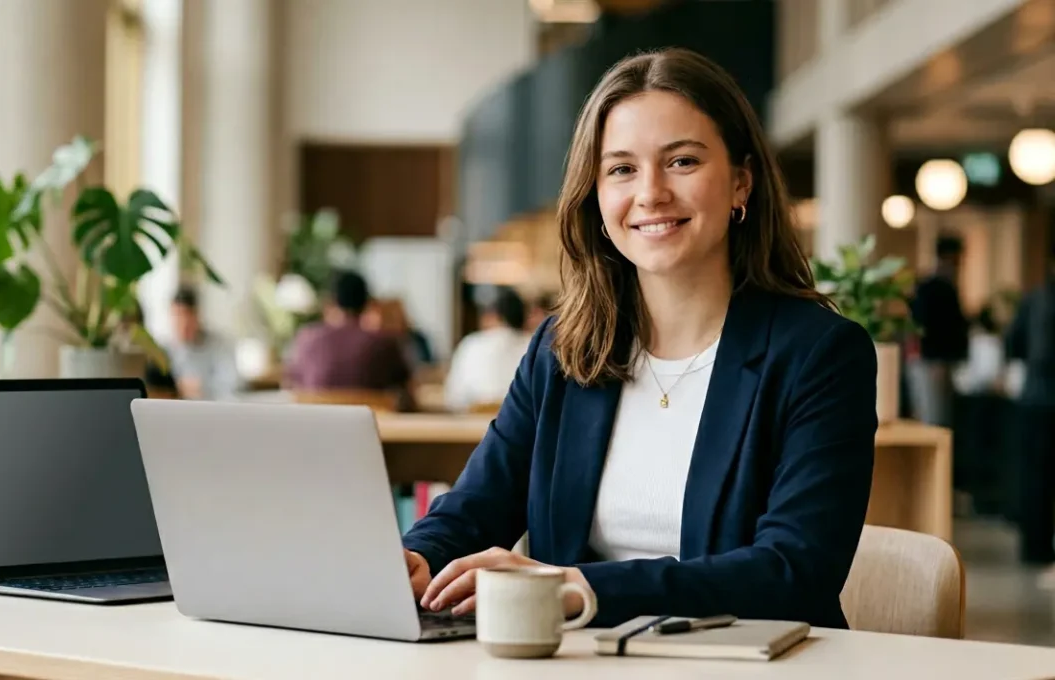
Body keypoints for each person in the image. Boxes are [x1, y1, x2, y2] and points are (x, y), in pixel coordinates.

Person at [400, 48, 877, 630]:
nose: (650, 193)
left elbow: (793, 571)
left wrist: (578, 588)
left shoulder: (819, 355)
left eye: (681, 161)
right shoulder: (562, 348)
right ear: (597, 199)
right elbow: (478, 505)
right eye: (621, 169)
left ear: (740, 184)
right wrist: (417, 558)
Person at [285, 270, 414, 397]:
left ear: (332, 301)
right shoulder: (386, 343)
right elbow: (406, 391)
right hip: (373, 417)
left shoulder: (306, 340)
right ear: (366, 303)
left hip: (316, 416)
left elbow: (291, 385)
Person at [1005, 254, 1055, 565]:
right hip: (1044, 399)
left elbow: (1013, 343)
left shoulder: (1034, 298)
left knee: (1036, 477)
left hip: (1034, 399)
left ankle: (1034, 548)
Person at [908, 236, 970, 427]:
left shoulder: (943, 286)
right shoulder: (933, 287)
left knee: (938, 417)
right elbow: (920, 326)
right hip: (932, 362)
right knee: (934, 419)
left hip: (938, 361)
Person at [442, 285, 532, 411]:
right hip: (524, 426)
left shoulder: (471, 344)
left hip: (474, 426)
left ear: (492, 316)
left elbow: (453, 397)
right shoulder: (535, 346)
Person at [165, 287, 240, 401]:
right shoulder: (165, 349)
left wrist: (201, 387)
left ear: (197, 316)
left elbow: (233, 385)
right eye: (177, 315)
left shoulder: (219, 344)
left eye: (187, 315)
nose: (183, 322)